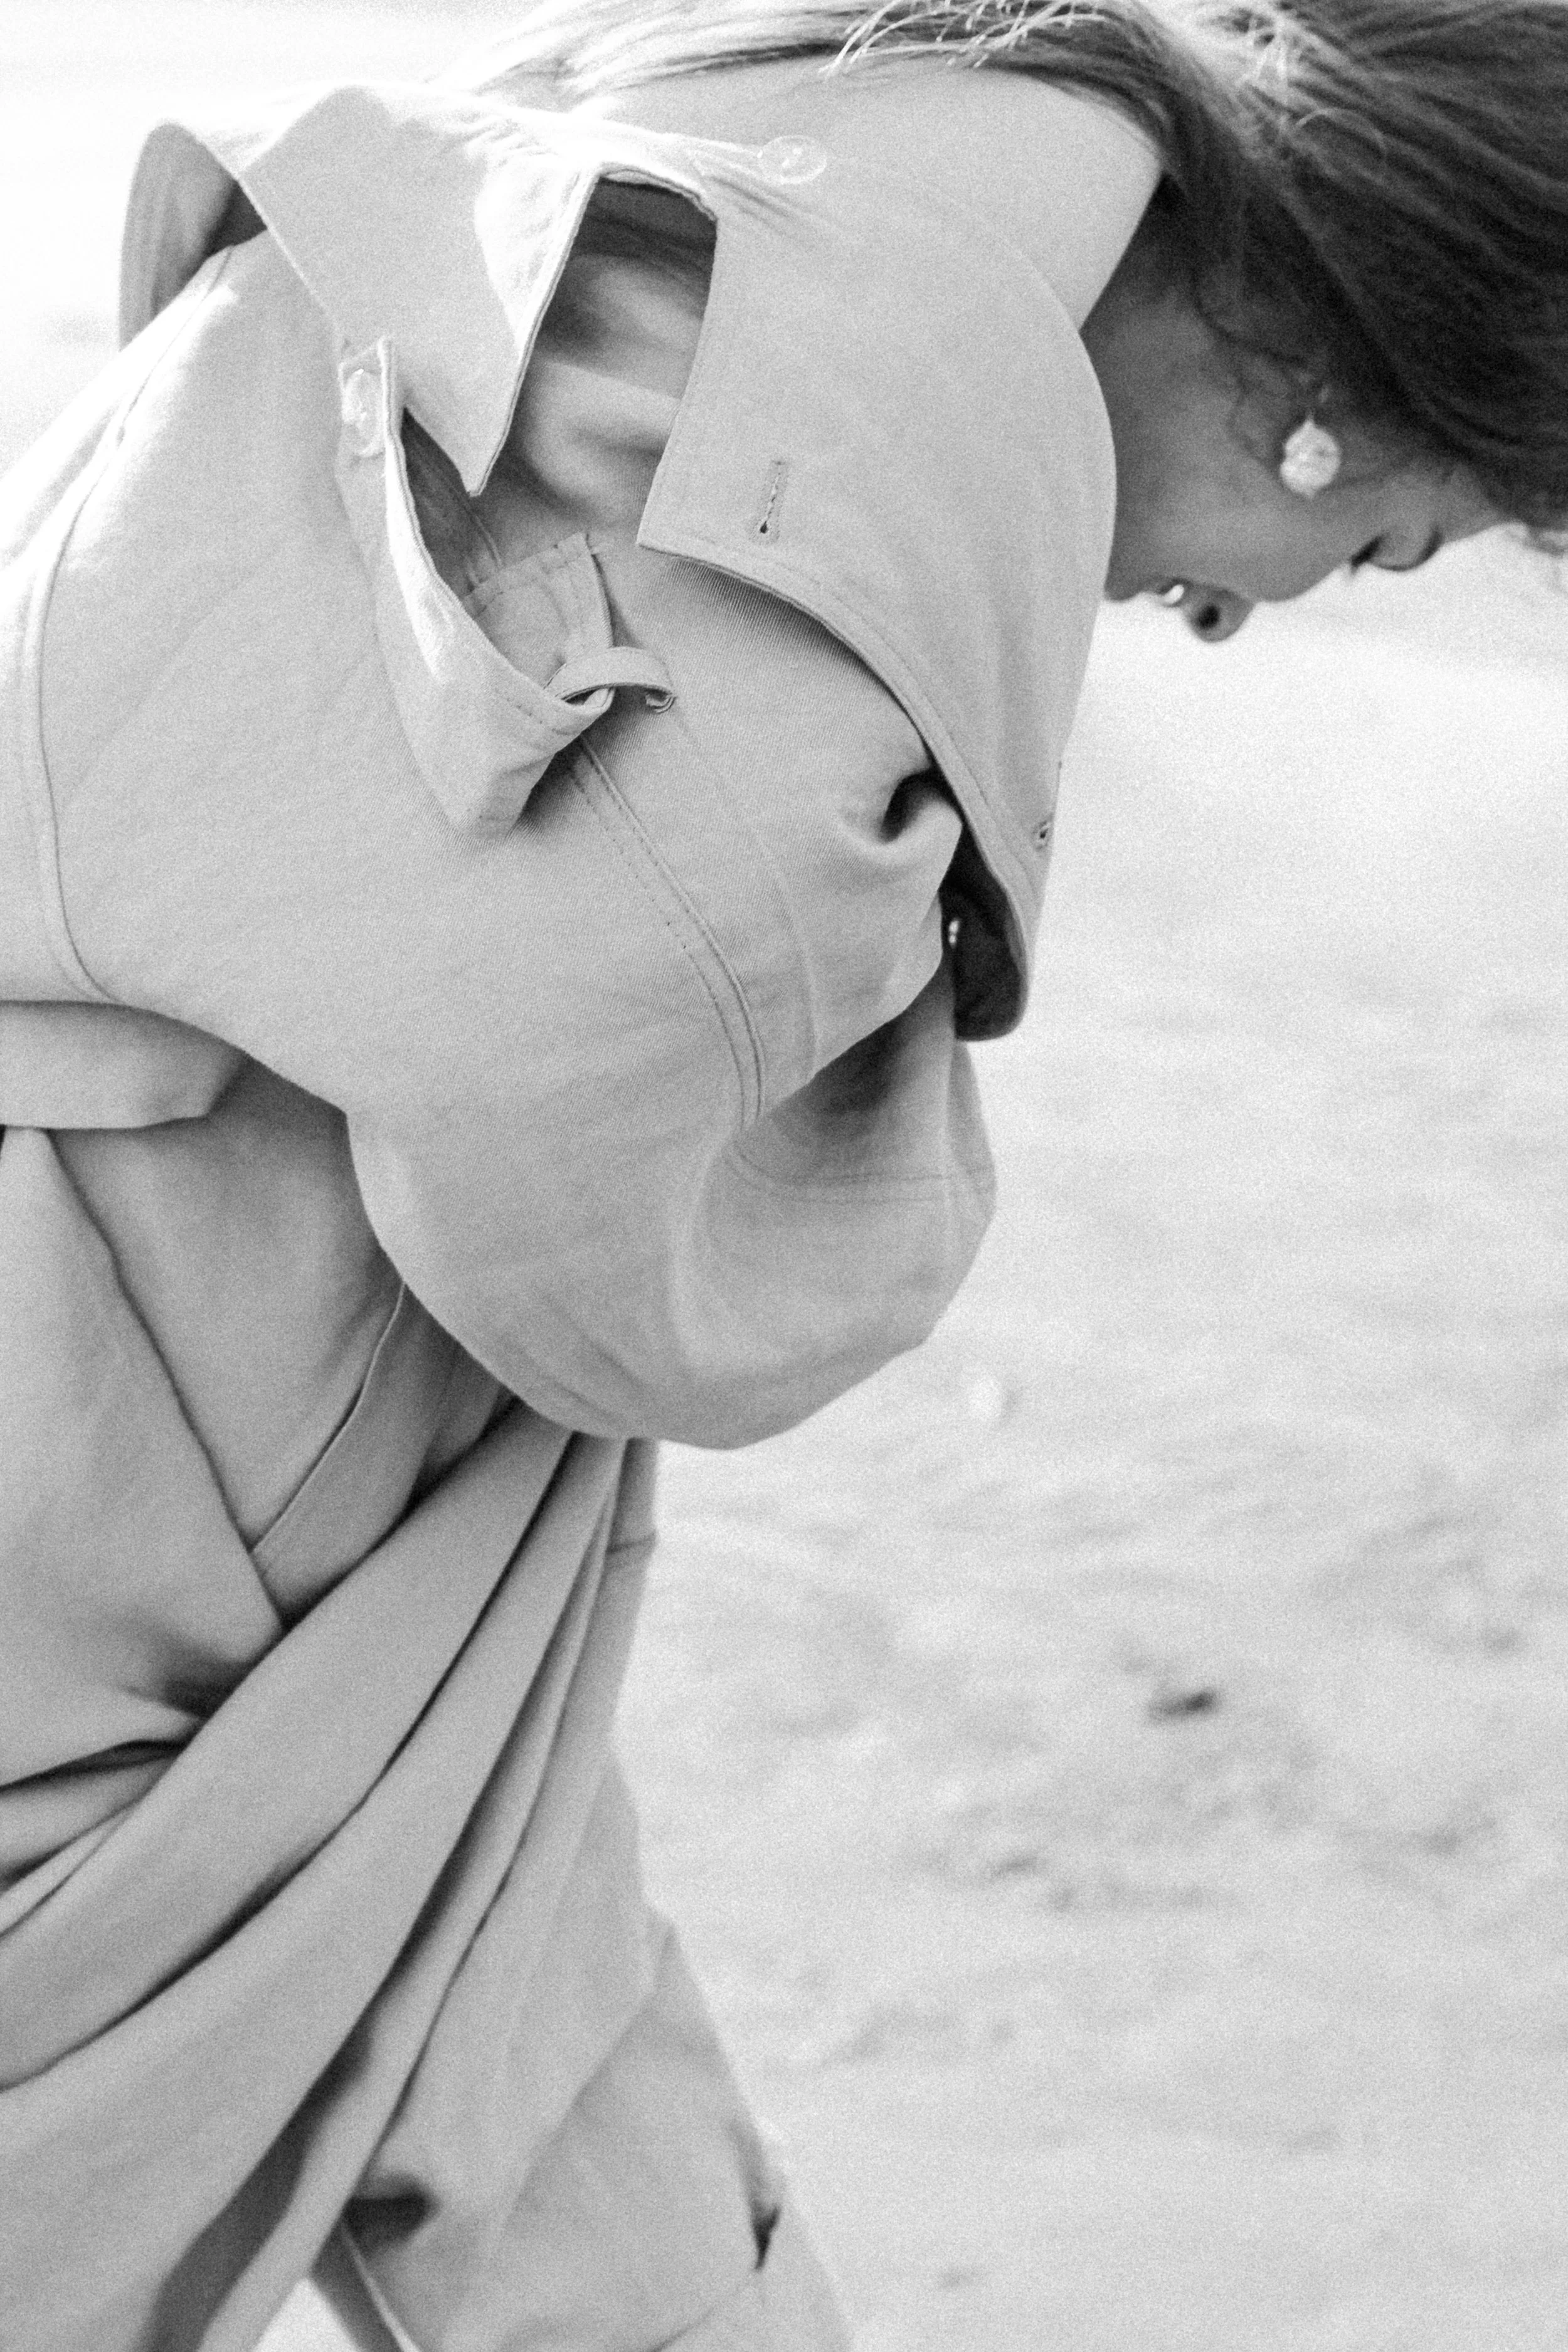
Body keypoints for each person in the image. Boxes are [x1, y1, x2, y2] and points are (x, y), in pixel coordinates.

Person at [1, 1, 1562, 2346]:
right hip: (138, 1434)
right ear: (1331, 396)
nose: (1249, 609)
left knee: (559, 2116)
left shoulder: (787, 135)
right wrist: (891, 1113)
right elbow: (608, 1227)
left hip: (242, 1356)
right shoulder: (818, 463)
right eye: (1388, 542)